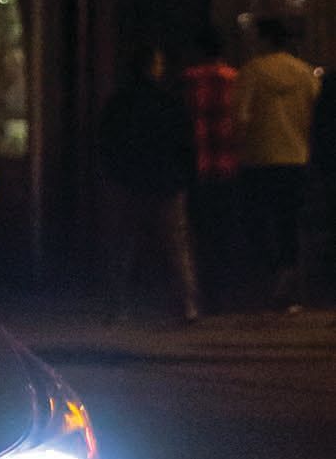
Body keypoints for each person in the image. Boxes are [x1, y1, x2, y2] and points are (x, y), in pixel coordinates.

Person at [97, 47, 200, 322]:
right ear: (156, 67)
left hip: (129, 181)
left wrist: (115, 173)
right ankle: (185, 305)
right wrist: (185, 177)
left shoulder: (120, 103)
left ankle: (117, 307)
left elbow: (107, 142)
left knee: (122, 247)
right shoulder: (170, 102)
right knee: (176, 246)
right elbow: (185, 144)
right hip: (166, 182)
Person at [237, 15, 319, 310]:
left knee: (257, 223)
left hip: (259, 159)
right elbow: (315, 117)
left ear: (265, 39)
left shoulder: (253, 72)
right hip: (296, 157)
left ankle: (268, 278)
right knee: (289, 222)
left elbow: (241, 118)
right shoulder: (305, 73)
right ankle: (288, 284)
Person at [181, 27, 242, 311]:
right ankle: (226, 294)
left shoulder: (189, 80)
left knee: (199, 234)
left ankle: (203, 294)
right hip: (229, 165)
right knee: (226, 233)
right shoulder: (235, 79)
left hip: (197, 166)